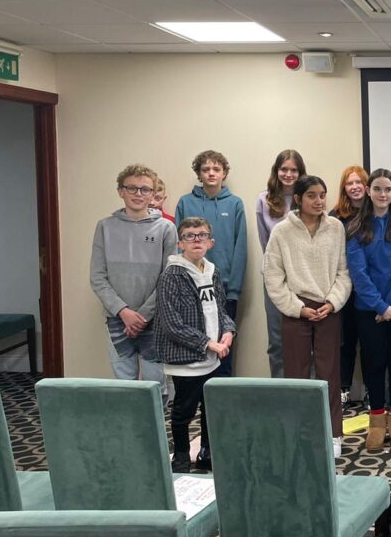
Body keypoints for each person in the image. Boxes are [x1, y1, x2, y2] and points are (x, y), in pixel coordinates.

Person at [264, 175, 352, 456]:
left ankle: (333, 434)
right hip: (296, 309)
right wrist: (296, 307)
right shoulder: (282, 231)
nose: (319, 201)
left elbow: (343, 273)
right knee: (297, 373)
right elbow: (273, 277)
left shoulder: (336, 227)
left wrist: (333, 302)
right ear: (299, 198)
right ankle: (298, 432)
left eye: (323, 195)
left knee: (330, 373)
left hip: (328, 307)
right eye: (312, 195)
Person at [346, 169, 391, 452]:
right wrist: (379, 306)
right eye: (377, 189)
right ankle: (377, 420)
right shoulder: (355, 226)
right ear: (368, 191)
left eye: (388, 190)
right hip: (369, 309)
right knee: (373, 364)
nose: (383, 194)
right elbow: (358, 272)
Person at [155, 217, 235, 473]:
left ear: (211, 242)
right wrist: (207, 343)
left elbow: (220, 309)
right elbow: (171, 324)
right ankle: (180, 455)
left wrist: (228, 331)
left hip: (212, 358)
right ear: (180, 243)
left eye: (202, 235)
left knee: (210, 408)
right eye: (189, 236)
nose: (196, 240)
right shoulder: (172, 275)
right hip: (186, 361)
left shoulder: (212, 271)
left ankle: (206, 452)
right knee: (183, 411)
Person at [90, 164, 177, 398]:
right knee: (125, 387)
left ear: (153, 193)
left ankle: (155, 434)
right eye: (132, 188)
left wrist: (143, 315)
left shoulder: (166, 229)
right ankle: (130, 434)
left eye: (145, 189)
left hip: (155, 319)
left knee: (156, 386)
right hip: (117, 320)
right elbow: (97, 277)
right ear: (121, 191)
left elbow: (169, 279)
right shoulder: (105, 227)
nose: (139, 194)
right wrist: (124, 312)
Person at [175, 150, 247, 377]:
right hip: (190, 289)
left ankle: (222, 400)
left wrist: (233, 289)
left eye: (216, 169)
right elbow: (177, 245)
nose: (211, 173)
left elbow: (240, 248)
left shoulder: (235, 204)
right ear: (199, 173)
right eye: (206, 169)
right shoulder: (185, 202)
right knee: (196, 344)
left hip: (224, 289)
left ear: (224, 173)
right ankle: (198, 401)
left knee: (224, 346)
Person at [256, 149, 307, 378]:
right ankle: (279, 391)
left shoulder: (308, 197)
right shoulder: (263, 200)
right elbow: (265, 244)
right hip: (275, 279)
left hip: (305, 279)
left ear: (300, 172)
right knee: (277, 341)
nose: (288, 174)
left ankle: (308, 393)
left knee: (305, 341)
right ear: (277, 171)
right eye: (284, 169)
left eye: (293, 170)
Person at [330, 165, 369, 408]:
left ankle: (369, 391)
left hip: (369, 290)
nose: (354, 187)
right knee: (344, 343)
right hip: (344, 290)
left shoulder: (375, 213)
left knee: (368, 343)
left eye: (358, 182)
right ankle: (343, 390)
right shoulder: (335, 217)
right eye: (349, 183)